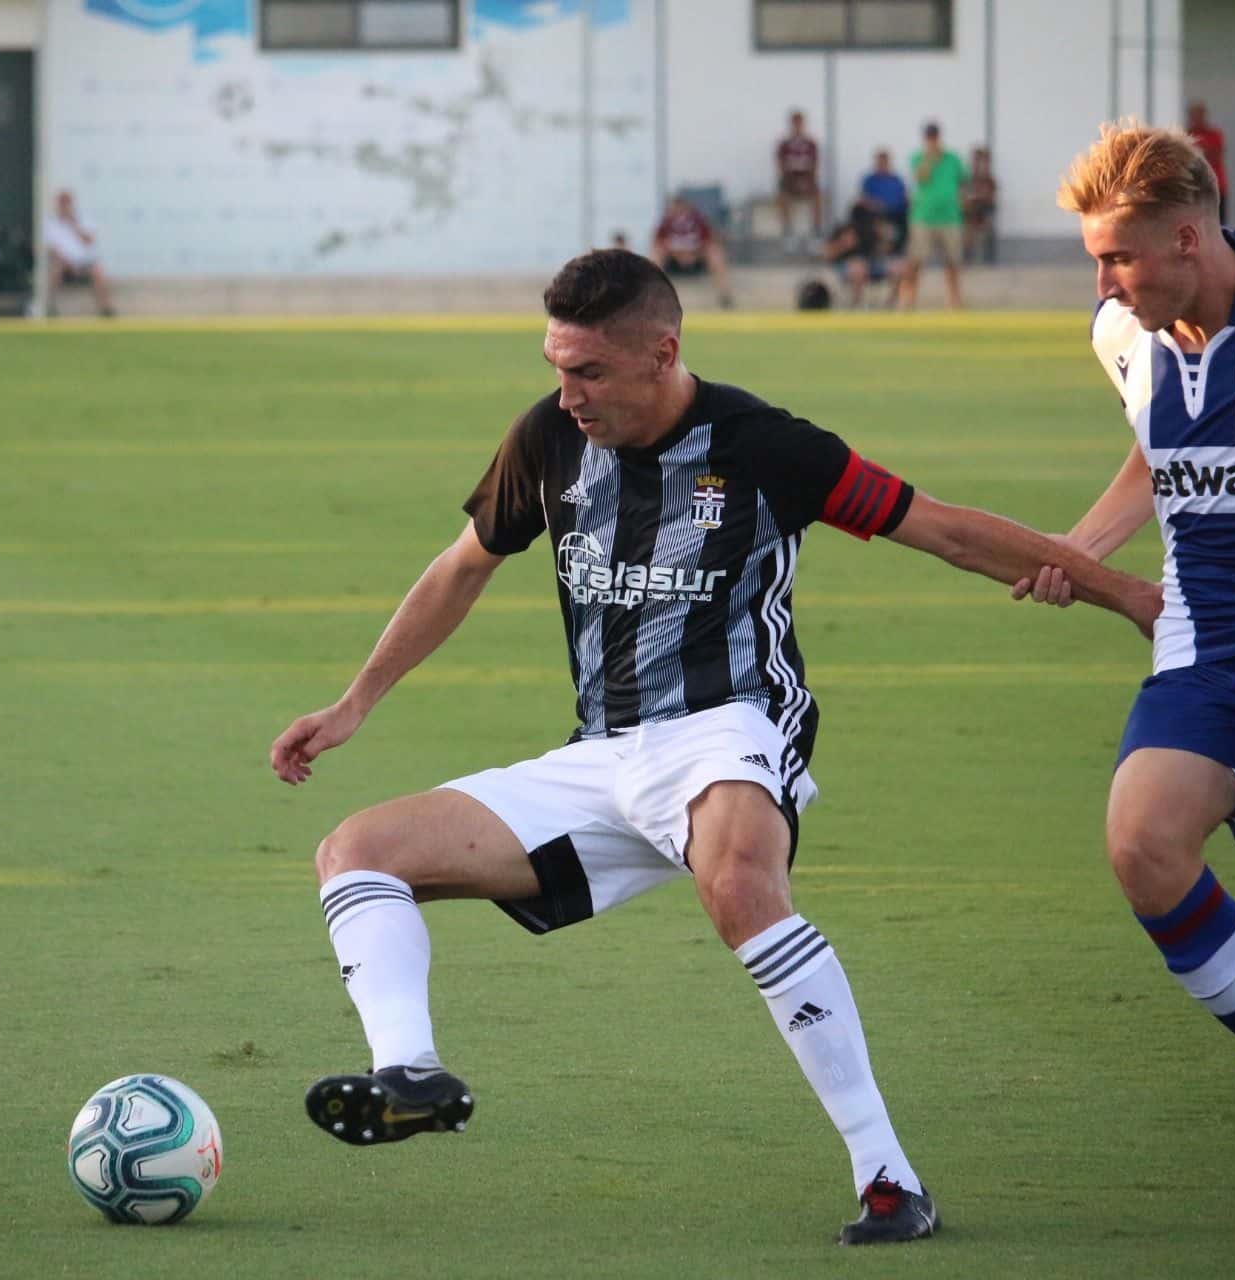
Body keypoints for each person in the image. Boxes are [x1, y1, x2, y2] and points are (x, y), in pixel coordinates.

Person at [269, 248, 1161, 1244]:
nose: (567, 394)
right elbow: (461, 568)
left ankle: (887, 1177)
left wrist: (1124, 593)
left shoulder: (766, 446)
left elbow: (944, 529)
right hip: (603, 755)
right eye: (557, 366)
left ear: (663, 352)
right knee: (355, 852)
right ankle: (412, 1072)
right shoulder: (547, 439)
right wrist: (355, 703)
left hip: (731, 727)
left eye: (589, 372)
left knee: (739, 886)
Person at [1022, 120, 1235, 1212]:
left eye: (1119, 256)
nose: (1102, 280)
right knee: (1142, 843)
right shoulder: (1123, 332)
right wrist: (1078, 550)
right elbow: (1157, 453)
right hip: (1210, 640)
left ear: (1190, 237)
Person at [899, 122, 967, 309]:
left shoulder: (953, 159)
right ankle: (908, 299)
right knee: (916, 261)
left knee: (952, 261)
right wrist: (930, 157)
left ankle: (954, 301)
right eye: (929, 137)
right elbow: (921, 176)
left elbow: (963, 181)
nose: (933, 141)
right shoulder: (918, 158)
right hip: (923, 217)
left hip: (950, 217)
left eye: (934, 137)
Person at [649, 194, 734, 309]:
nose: (677, 210)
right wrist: (678, 254)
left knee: (715, 252)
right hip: (673, 261)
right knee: (656, 253)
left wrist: (692, 253)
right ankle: (651, 296)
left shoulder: (698, 221)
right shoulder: (665, 224)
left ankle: (725, 294)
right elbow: (658, 242)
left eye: (680, 207)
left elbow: (710, 241)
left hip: (696, 260)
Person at [42, 189, 117, 318]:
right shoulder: (50, 222)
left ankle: (106, 308)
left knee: (98, 271)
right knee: (55, 270)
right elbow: (51, 248)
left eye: (67, 202)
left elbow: (89, 240)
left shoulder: (83, 219)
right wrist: (67, 262)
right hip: (63, 262)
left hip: (84, 262)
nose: (64, 206)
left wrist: (73, 224)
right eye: (62, 203)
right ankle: (50, 307)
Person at [820, 200, 895, 308]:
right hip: (843, 266)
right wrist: (843, 244)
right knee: (858, 266)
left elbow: (885, 251)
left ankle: (891, 306)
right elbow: (826, 254)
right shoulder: (843, 229)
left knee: (899, 267)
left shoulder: (871, 230)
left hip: (871, 264)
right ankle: (857, 304)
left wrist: (883, 237)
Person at [775, 109, 823, 247]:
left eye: (799, 123)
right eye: (795, 123)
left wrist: (806, 180)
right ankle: (788, 231)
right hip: (790, 178)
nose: (797, 126)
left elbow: (815, 164)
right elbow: (780, 165)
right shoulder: (784, 144)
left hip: (807, 177)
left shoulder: (811, 144)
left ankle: (816, 230)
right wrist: (792, 180)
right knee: (782, 194)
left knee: (817, 194)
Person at [858, 148, 909, 254]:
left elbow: (904, 198)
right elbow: (864, 198)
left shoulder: (896, 180)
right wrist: (874, 204)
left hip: (897, 214)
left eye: (884, 162)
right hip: (876, 214)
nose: (882, 164)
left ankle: (896, 251)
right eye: (879, 162)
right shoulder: (869, 180)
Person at [1186, 101, 1228, 226]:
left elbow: (1216, 155)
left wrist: (1199, 151)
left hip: (1217, 186)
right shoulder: (1187, 134)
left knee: (1219, 224)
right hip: (1195, 187)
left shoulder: (1215, 134)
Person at [961, 146, 998, 264]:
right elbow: (963, 196)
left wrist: (978, 197)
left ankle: (988, 257)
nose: (979, 165)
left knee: (985, 225)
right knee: (968, 226)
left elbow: (990, 199)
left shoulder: (990, 180)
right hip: (969, 213)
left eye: (982, 162)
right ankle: (967, 255)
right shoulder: (967, 179)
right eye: (976, 161)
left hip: (984, 211)